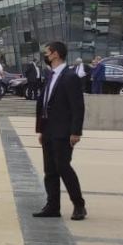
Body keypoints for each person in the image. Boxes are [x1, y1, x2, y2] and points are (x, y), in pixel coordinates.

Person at [36, 40, 87, 220]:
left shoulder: (70, 76)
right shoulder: (51, 75)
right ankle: (53, 206)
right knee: (50, 170)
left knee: (63, 167)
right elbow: (44, 104)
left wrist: (76, 132)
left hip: (64, 132)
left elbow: (77, 106)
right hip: (49, 131)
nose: (45, 56)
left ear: (56, 54)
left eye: (47, 52)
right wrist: (41, 130)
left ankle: (79, 205)